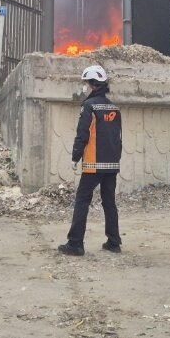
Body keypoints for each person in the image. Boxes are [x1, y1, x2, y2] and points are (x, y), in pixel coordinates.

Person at [58, 64, 123, 256]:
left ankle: (75, 243)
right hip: (112, 163)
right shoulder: (114, 108)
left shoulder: (89, 106)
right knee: (109, 202)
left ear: (93, 84)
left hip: (94, 163)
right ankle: (114, 241)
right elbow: (119, 136)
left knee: (82, 200)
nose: (84, 86)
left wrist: (75, 156)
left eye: (86, 83)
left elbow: (82, 134)